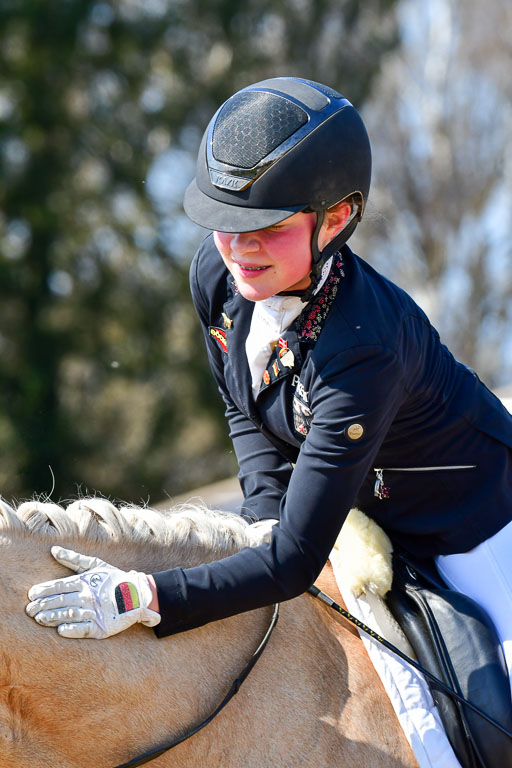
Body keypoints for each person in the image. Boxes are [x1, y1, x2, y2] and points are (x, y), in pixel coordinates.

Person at [26, 78, 512, 683]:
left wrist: (146, 596)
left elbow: (293, 561)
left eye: (269, 224)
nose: (240, 248)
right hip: (366, 504)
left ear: (336, 217)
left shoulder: (364, 349)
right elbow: (243, 405)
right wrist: (258, 516)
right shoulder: (217, 272)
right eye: (225, 222)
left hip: (473, 524)